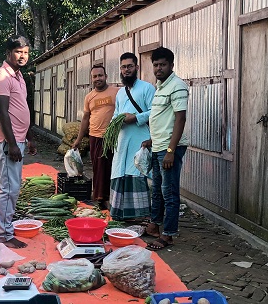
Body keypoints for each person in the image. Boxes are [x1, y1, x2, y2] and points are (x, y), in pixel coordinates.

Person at [0, 35, 37, 249]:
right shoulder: (1, 78)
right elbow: (2, 113)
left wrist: (28, 137)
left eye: (25, 52)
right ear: (8, 53)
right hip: (6, 141)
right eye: (18, 52)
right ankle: (4, 235)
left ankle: (4, 228)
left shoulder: (18, 76)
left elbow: (21, 110)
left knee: (13, 187)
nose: (22, 56)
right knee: (9, 188)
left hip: (17, 139)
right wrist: (13, 144)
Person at [143, 47, 188, 250]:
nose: (158, 68)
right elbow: (163, 117)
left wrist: (170, 150)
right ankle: (155, 225)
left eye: (162, 65)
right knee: (157, 191)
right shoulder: (161, 86)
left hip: (170, 148)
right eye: (155, 65)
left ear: (171, 65)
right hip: (159, 146)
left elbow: (180, 118)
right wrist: (152, 140)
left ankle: (168, 235)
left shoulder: (177, 86)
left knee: (169, 192)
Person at [109, 52, 156, 221]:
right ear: (120, 69)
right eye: (123, 67)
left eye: (130, 66)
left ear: (136, 67)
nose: (126, 70)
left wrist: (135, 117)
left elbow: (155, 112)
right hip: (122, 141)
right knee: (120, 173)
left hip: (139, 139)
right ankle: (120, 214)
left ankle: (140, 217)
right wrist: (118, 121)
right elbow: (116, 114)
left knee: (135, 173)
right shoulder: (121, 93)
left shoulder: (147, 88)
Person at [73, 65, 119, 210]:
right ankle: (100, 198)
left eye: (100, 75)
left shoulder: (117, 92)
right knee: (99, 169)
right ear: (91, 79)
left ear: (106, 76)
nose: (98, 78)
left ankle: (114, 198)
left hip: (113, 137)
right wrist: (78, 139)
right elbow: (85, 119)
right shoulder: (89, 97)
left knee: (113, 168)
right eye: (95, 76)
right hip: (96, 136)